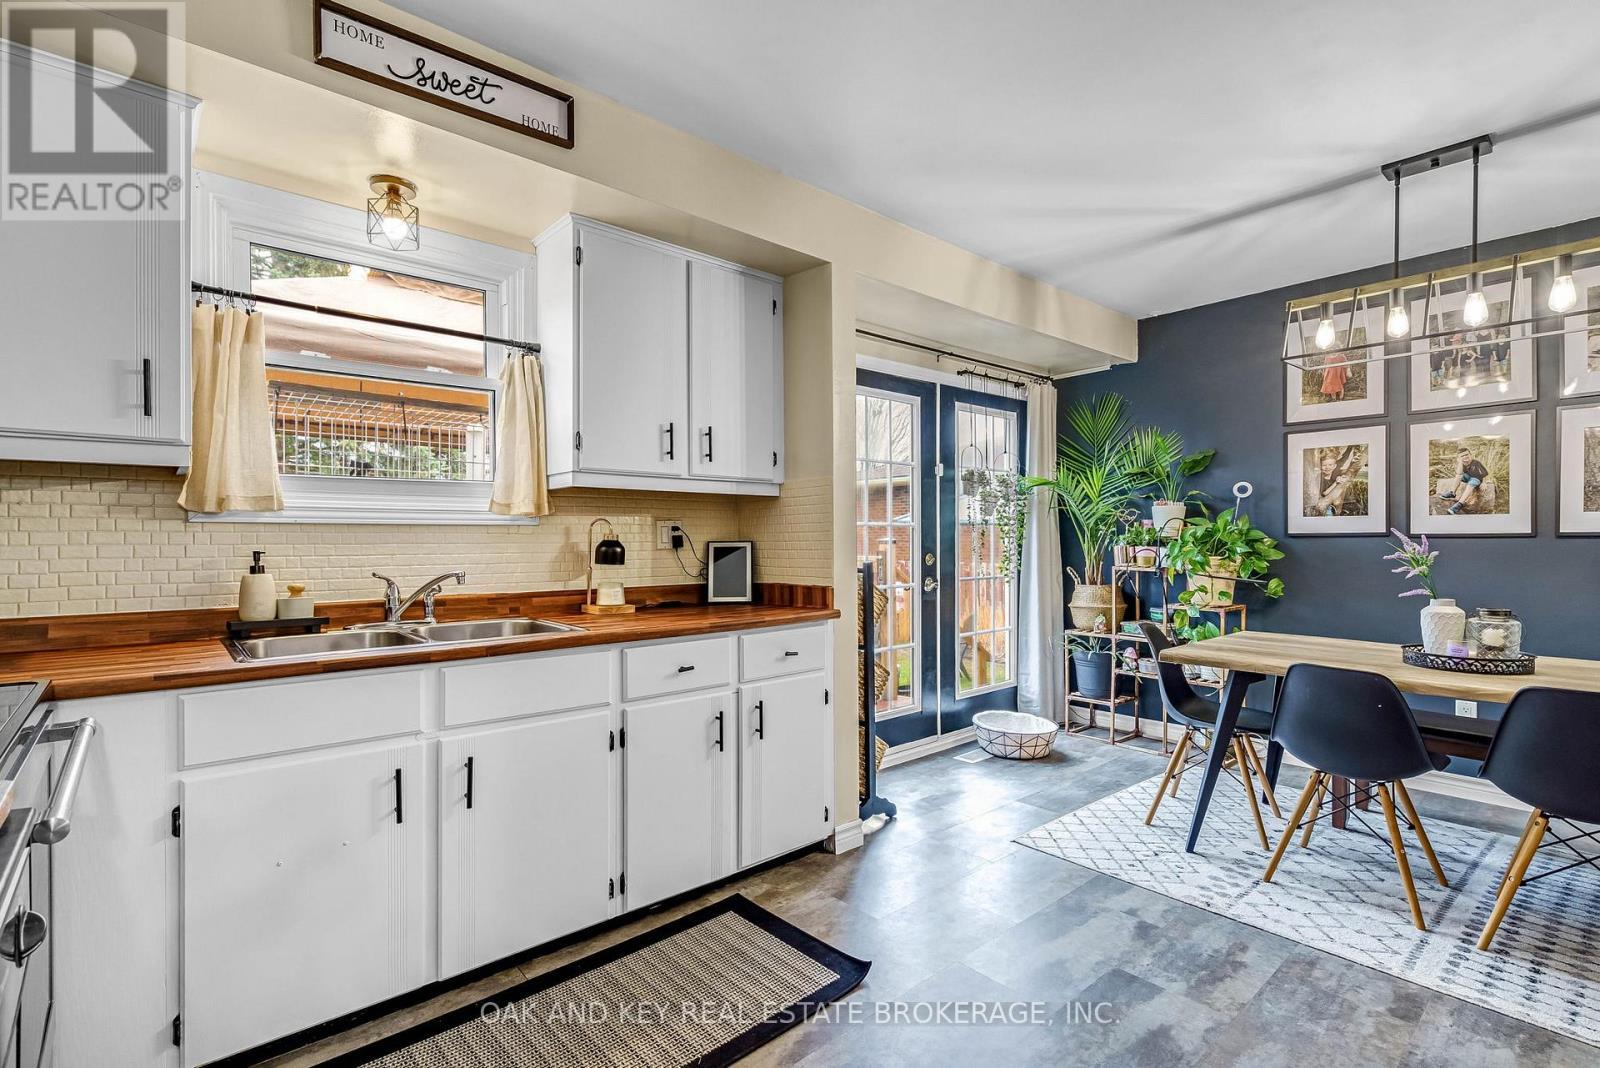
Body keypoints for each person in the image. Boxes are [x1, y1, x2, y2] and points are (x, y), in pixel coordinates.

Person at [1440, 446, 1490, 515]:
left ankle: (1460, 504)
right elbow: (1459, 473)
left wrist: (1484, 482)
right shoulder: (1462, 464)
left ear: (1470, 455)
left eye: (1466, 454)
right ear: (1459, 458)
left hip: (1476, 478)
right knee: (1458, 476)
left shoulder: (1476, 463)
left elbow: (1485, 473)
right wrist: (1461, 463)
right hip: (1468, 477)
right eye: (1462, 456)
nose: (1465, 457)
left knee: (1471, 483)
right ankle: (1452, 493)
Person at [1311, 447, 1359, 517]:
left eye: (1330, 465)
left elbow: (1346, 470)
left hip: (1337, 504)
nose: (1327, 467)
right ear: (1320, 466)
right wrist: (1336, 483)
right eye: (1324, 465)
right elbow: (1324, 493)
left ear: (1334, 466)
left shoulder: (1335, 473)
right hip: (1326, 506)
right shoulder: (1319, 477)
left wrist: (1352, 462)